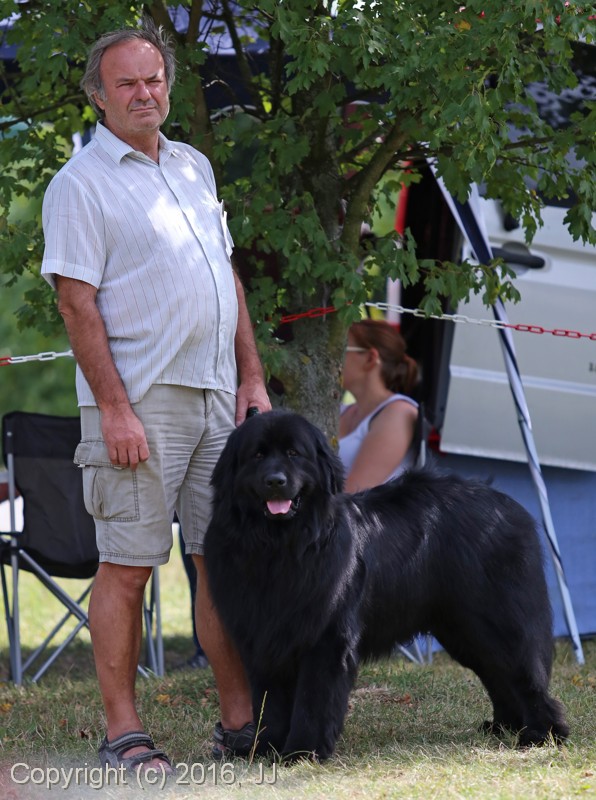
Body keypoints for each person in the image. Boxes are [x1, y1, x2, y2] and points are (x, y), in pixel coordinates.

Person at [40, 20, 271, 773]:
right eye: (127, 83)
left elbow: (225, 279)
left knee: (220, 560)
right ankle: (125, 736)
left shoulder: (193, 165)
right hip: (139, 403)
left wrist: (251, 378)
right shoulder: (79, 184)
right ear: (99, 96)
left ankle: (240, 725)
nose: (145, 94)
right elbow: (76, 303)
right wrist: (113, 409)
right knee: (129, 565)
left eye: (154, 79)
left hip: (216, 397)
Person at [339, 319, 419, 492]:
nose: (332, 358)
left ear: (370, 358)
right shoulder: (343, 410)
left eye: (341, 349)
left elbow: (355, 492)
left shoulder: (398, 413)